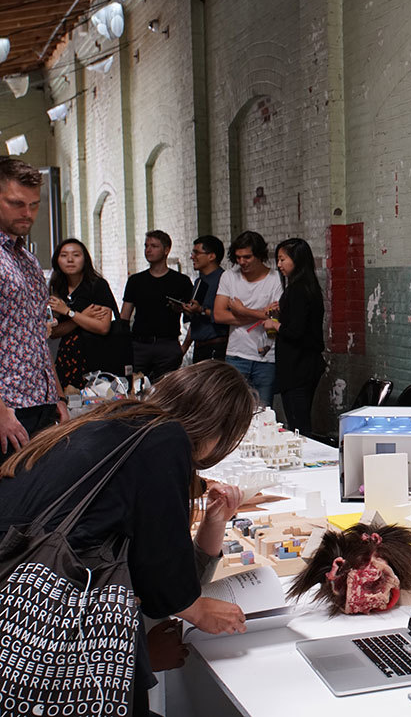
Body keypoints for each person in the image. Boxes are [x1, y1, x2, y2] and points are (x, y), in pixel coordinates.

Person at [0, 360, 254, 712]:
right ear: (219, 430)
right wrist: (197, 611)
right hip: (46, 642)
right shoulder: (164, 438)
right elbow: (169, 592)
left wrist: (213, 523)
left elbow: (163, 575)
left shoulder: (114, 424)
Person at [0, 157, 69, 461]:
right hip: (8, 410)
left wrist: (56, 396)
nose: (27, 214)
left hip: (40, 405)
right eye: (16, 203)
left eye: (34, 205)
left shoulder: (27, 261)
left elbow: (37, 338)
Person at [264, 238, 325, 436]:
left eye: (283, 259)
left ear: (297, 260)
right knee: (297, 419)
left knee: (298, 423)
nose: (279, 265)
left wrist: (275, 324)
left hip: (299, 366)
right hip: (301, 365)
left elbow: (296, 331)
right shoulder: (304, 286)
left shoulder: (299, 289)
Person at [214, 230, 282, 407]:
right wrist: (261, 314)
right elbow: (219, 315)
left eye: (247, 257)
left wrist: (241, 310)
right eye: (238, 257)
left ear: (260, 255)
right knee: (233, 409)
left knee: (263, 411)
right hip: (236, 354)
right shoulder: (229, 276)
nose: (241, 262)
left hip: (267, 357)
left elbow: (276, 321)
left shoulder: (276, 279)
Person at [120, 230, 193, 382]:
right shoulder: (136, 281)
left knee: (167, 392)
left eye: (154, 246)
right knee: (136, 389)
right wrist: (125, 347)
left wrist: (184, 347)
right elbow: (124, 317)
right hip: (139, 345)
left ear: (166, 250)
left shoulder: (181, 281)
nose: (148, 250)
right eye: (146, 246)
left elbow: (193, 317)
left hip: (168, 345)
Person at [47, 238, 118, 389]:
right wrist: (82, 317)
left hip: (97, 356)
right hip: (67, 359)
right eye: (64, 255)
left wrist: (68, 312)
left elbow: (102, 327)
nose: (70, 260)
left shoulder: (98, 285)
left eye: (76, 255)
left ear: (85, 259)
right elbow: (52, 332)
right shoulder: (56, 287)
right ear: (57, 260)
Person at [181, 234, 229, 363]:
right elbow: (196, 320)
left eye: (196, 253)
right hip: (199, 347)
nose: (192, 257)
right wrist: (185, 347)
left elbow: (227, 316)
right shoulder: (199, 281)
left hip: (216, 347)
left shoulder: (224, 280)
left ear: (211, 256)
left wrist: (201, 310)